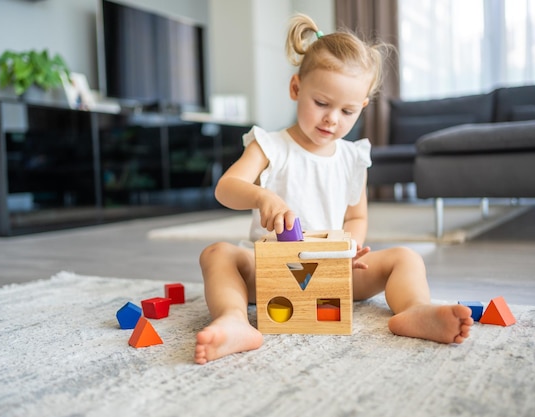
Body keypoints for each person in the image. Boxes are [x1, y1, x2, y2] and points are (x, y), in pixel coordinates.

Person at [194, 14, 474, 365]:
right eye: (322, 103)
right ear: (296, 89)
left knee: (406, 258)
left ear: (363, 108)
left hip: (334, 273)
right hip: (271, 274)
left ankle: (415, 310)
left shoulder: (353, 157)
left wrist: (351, 247)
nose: (332, 119)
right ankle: (234, 319)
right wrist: (261, 196)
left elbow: (356, 215)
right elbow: (226, 188)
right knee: (218, 254)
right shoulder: (269, 145)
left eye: (347, 111)